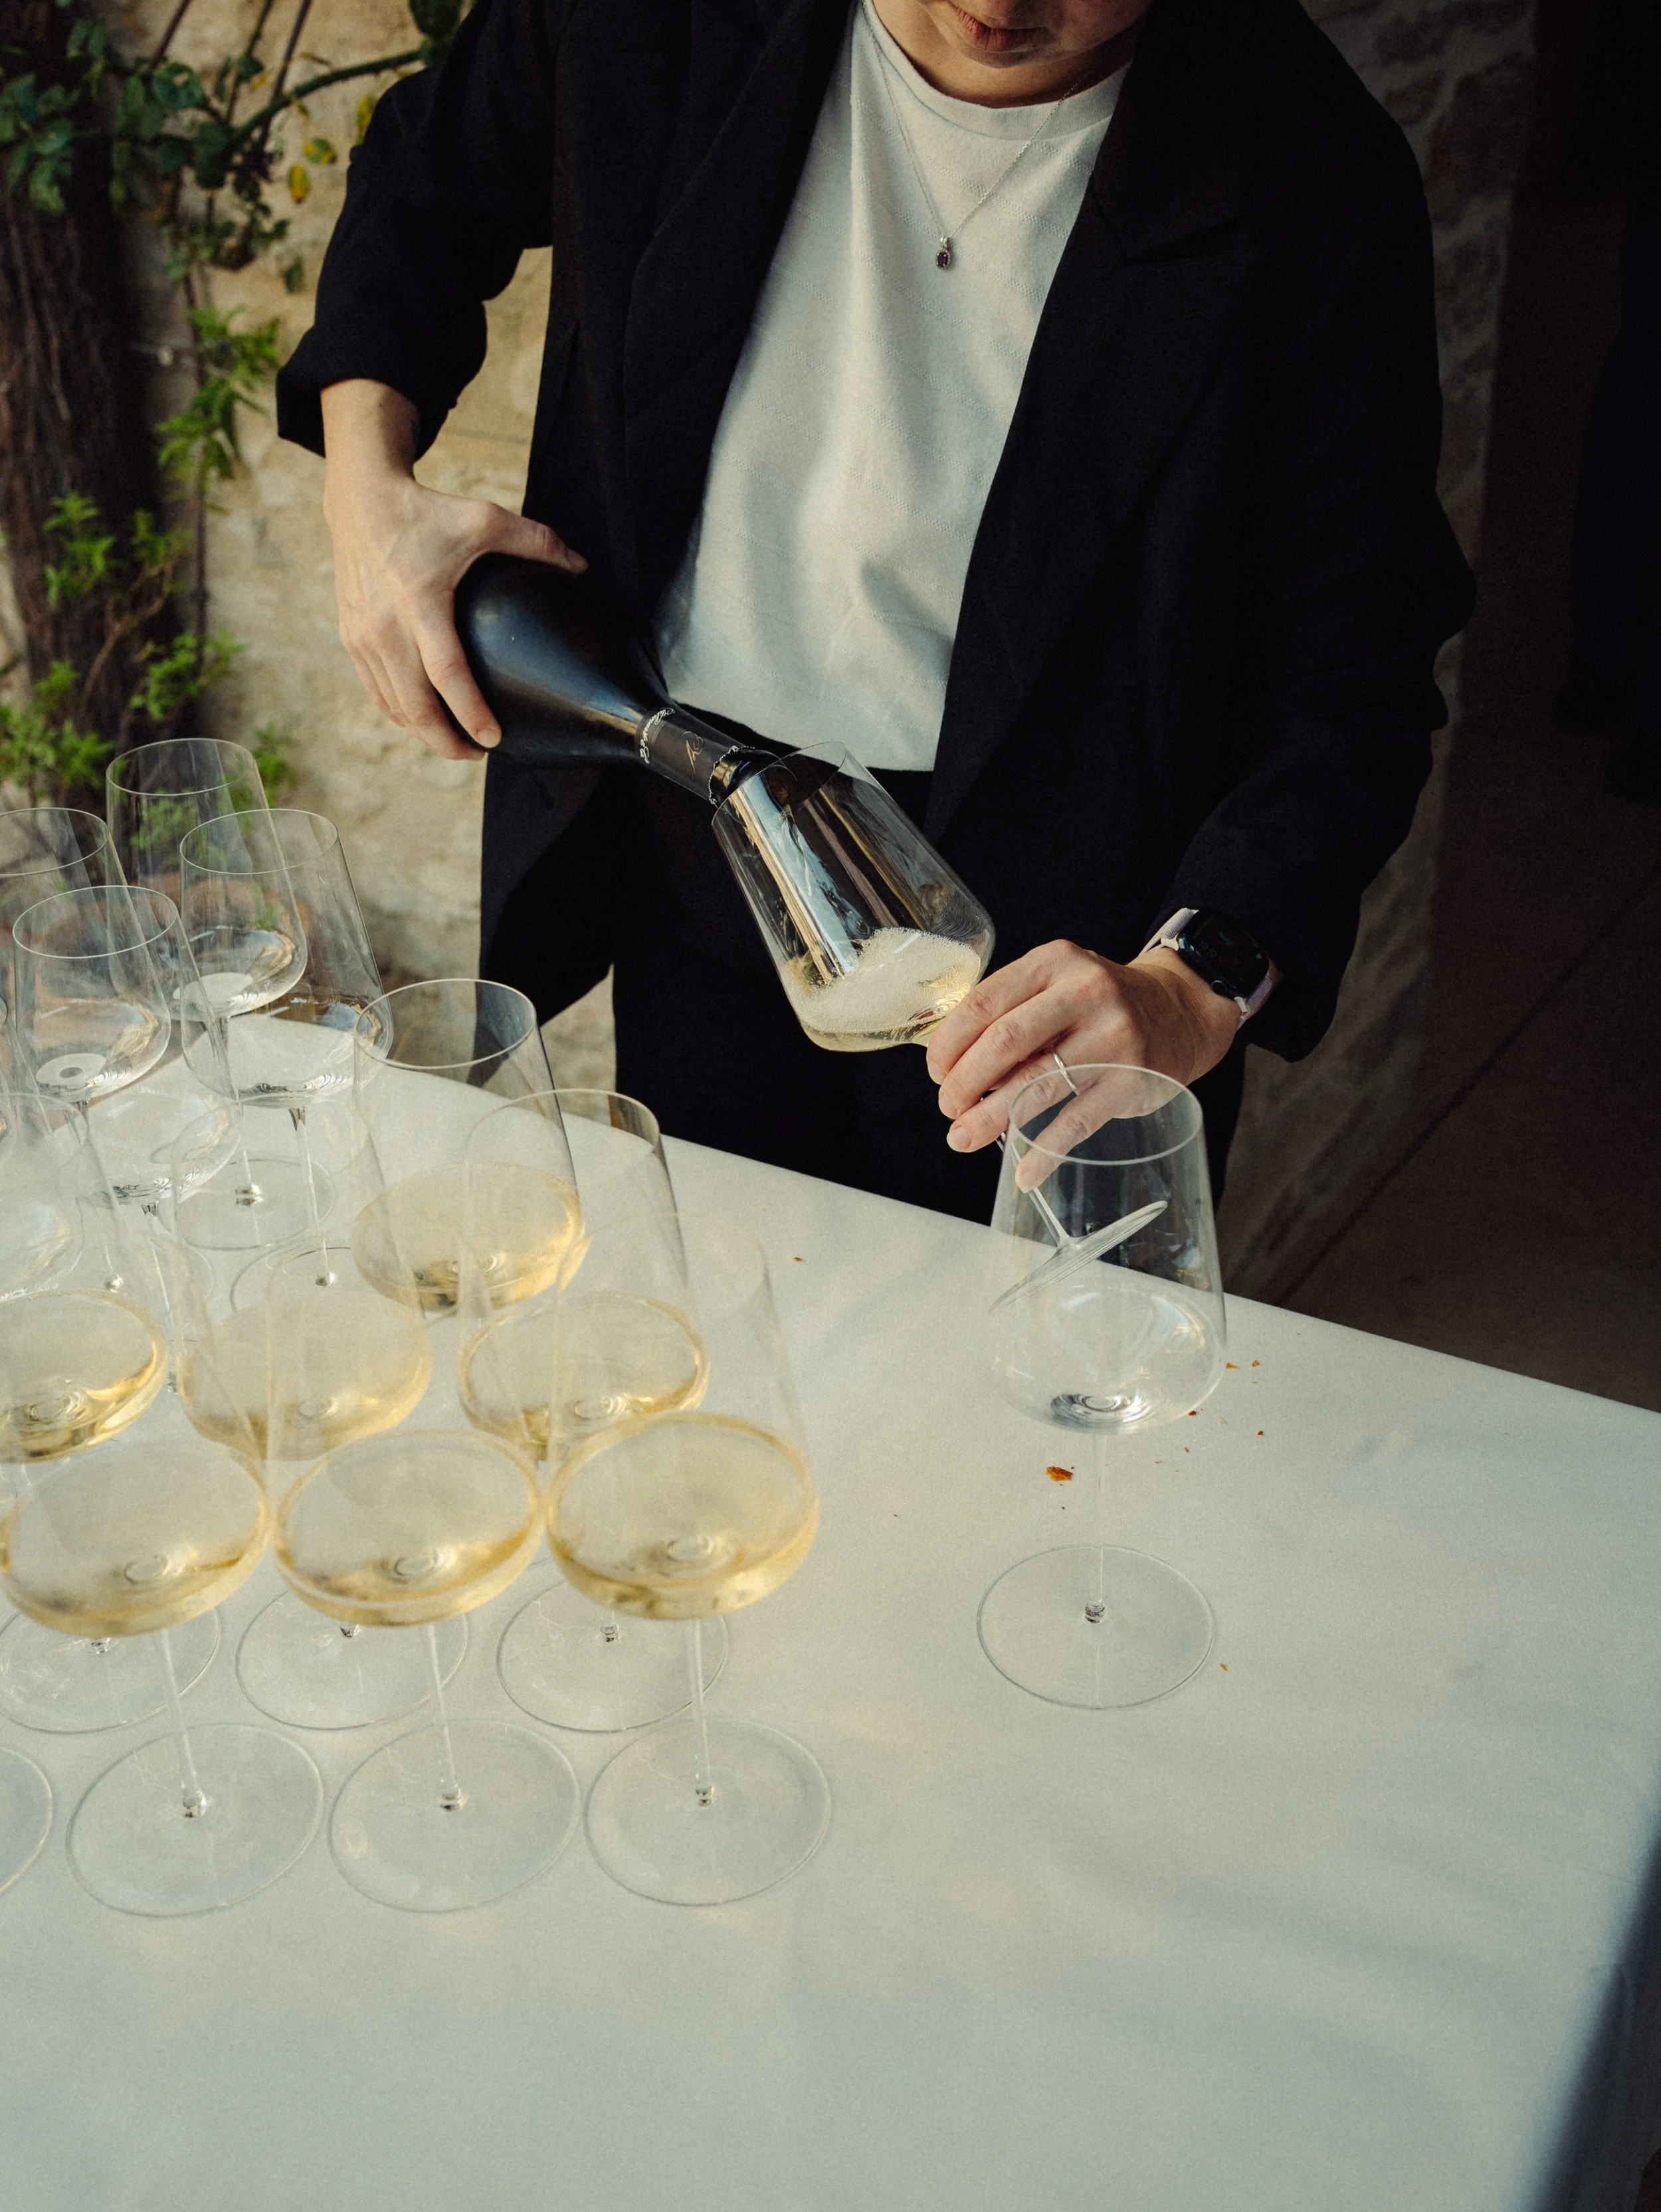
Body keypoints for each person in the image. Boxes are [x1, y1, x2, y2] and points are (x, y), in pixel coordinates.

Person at [277, 0, 1474, 1222]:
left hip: (1069, 957)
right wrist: (367, 502)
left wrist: (1190, 983)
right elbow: (428, 177)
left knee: (1018, 1390)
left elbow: (1354, 678)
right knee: (733, 1324)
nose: (998, 9)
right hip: (703, 842)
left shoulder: (1315, 174)